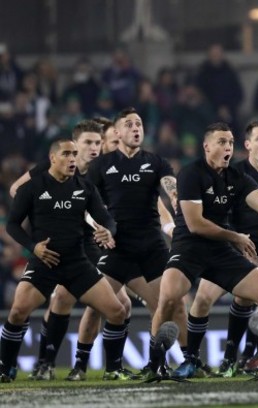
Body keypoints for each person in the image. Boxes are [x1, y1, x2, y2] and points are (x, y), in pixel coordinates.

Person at [149, 122, 258, 377]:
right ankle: (156, 363)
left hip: (221, 251)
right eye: (221, 142)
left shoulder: (237, 177)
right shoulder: (191, 173)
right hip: (189, 247)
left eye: (230, 142)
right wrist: (236, 237)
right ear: (207, 146)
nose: (228, 147)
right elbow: (195, 224)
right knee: (170, 299)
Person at [7, 120, 134, 381]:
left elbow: (107, 217)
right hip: (46, 257)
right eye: (86, 143)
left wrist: (108, 230)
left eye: (97, 143)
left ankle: (108, 368)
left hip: (82, 252)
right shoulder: (38, 180)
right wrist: (33, 247)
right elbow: (13, 210)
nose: (92, 148)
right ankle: (23, 365)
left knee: (120, 308)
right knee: (24, 309)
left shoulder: (91, 182)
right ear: (53, 157)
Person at [86, 107, 179, 379]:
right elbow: (85, 204)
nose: (136, 128)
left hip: (151, 245)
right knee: (99, 308)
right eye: (129, 124)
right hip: (116, 246)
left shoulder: (156, 162)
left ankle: (156, 363)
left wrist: (175, 197)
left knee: (167, 305)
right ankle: (86, 365)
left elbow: (169, 184)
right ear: (116, 132)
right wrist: (97, 228)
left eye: (139, 124)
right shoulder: (101, 166)